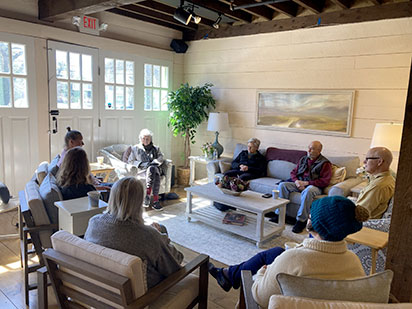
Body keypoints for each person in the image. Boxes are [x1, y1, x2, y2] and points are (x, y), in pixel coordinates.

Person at [208, 196, 368, 308]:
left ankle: (230, 275)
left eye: (311, 215)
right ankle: (228, 274)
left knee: (270, 258)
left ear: (313, 224)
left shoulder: (294, 258)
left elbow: (261, 298)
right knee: (276, 251)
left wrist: (263, 274)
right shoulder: (354, 261)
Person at [84, 177, 184, 289]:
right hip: (144, 297)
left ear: (112, 198)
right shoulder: (149, 236)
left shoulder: (94, 222)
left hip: (104, 288)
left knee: (160, 230)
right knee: (161, 231)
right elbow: (176, 263)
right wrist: (160, 237)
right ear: (139, 202)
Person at [276, 141, 332, 233]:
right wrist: (297, 182)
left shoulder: (325, 163)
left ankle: (301, 221)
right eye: (309, 147)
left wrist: (306, 183)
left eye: (312, 148)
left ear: (319, 150)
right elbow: (293, 172)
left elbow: (324, 181)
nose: (309, 150)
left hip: (314, 186)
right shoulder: (304, 159)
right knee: (283, 185)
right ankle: (280, 215)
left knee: (308, 191)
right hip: (300, 182)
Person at [128, 128, 165, 211]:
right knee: (154, 172)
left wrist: (154, 162)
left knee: (152, 168)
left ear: (151, 139)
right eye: (144, 138)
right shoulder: (135, 149)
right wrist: (143, 164)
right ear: (140, 139)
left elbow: (161, 158)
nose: (146, 140)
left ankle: (147, 196)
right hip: (142, 170)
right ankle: (155, 201)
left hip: (154, 168)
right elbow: (130, 161)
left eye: (147, 139)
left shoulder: (156, 148)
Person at [356, 147, 395, 219]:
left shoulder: (378, 186)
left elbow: (358, 213)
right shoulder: (389, 179)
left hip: (364, 223)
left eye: (367, 159)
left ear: (379, 162)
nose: (364, 162)